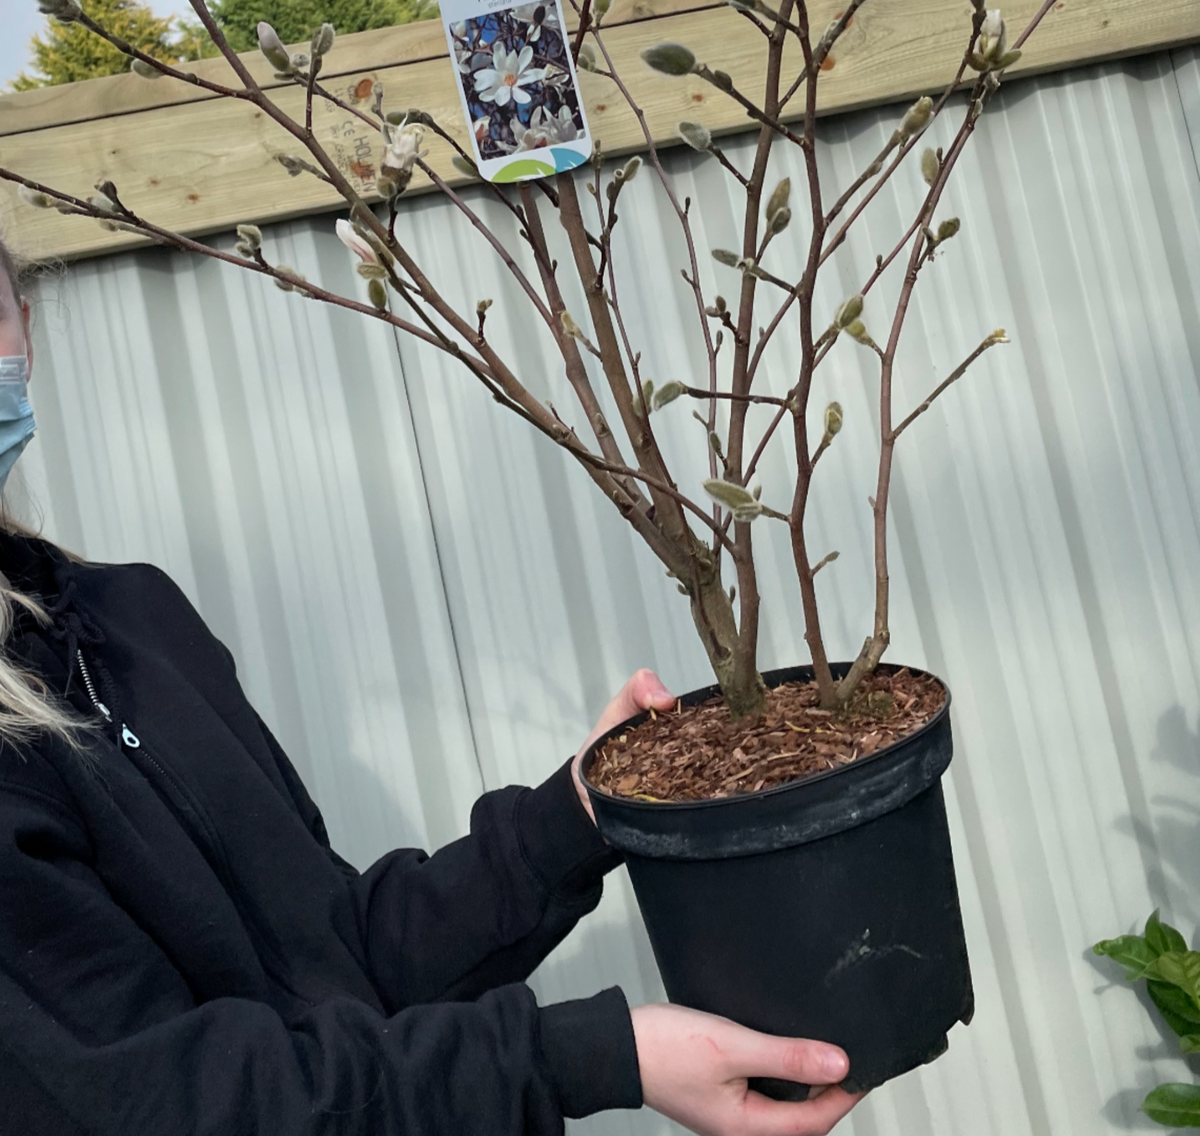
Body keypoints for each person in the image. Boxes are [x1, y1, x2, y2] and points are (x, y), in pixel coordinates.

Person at [0, 233, 861, 1136]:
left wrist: (574, 815)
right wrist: (596, 1055)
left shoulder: (134, 618)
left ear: (30, 324)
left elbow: (339, 960)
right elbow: (183, 1107)